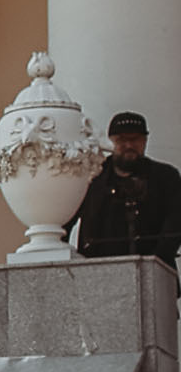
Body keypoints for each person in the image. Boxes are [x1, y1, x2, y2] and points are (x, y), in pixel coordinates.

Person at [71, 111, 181, 270]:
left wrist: (157, 262)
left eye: (135, 139)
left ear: (145, 141)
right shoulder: (91, 177)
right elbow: (66, 219)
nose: (129, 145)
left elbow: (175, 224)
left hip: (155, 272)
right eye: (121, 140)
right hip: (97, 272)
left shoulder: (165, 177)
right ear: (109, 142)